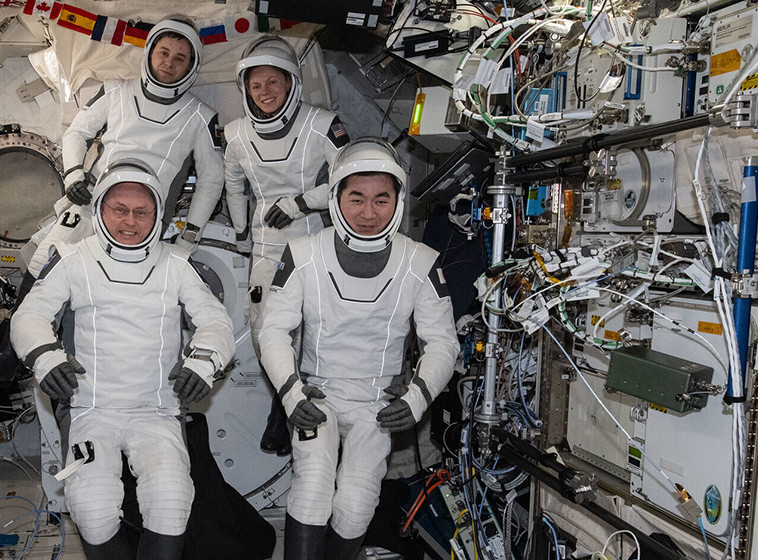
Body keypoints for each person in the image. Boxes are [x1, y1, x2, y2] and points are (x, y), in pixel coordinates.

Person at [11, 163, 235, 560]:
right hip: (91, 409)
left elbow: (215, 321)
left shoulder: (176, 264)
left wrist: (203, 362)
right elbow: (29, 316)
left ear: (157, 216)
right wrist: (45, 357)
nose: (130, 222)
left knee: (171, 500)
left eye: (141, 212)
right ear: (100, 209)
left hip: (157, 411)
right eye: (119, 209)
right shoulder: (73, 259)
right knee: (92, 506)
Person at [256, 139, 460, 560]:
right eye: (357, 199)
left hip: (378, 403)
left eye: (381, 200)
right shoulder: (303, 254)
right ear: (336, 198)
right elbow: (273, 330)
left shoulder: (420, 261)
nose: (369, 213)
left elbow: (442, 341)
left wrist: (418, 396)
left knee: (355, 506)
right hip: (317, 395)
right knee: (312, 490)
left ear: (398, 201)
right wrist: (291, 392)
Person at [220, 35, 351, 455]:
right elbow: (233, 182)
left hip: (312, 242)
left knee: (313, 328)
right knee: (264, 327)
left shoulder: (322, 125)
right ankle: (284, 401)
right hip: (266, 248)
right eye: (256, 85)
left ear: (292, 82)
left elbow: (349, 180)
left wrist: (300, 203)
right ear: (245, 89)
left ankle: (303, 410)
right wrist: (241, 228)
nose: (265, 92)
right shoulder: (236, 134)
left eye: (273, 82)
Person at [26, 16, 225, 277]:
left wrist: (191, 234)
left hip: (144, 219)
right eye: (164, 52)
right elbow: (77, 133)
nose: (169, 63)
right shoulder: (115, 91)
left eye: (180, 58)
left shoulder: (200, 117)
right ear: (150, 51)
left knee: (112, 287)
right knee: (42, 266)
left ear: (191, 65)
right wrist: (73, 176)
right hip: (91, 203)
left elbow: (212, 179)